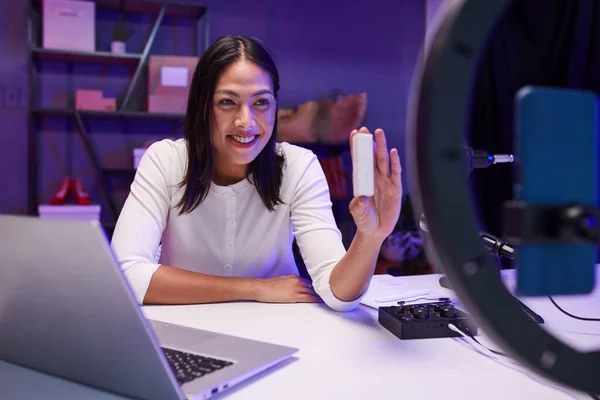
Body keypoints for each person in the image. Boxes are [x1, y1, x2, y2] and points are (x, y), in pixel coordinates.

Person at [111, 35, 402, 312]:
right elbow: (125, 275)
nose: (245, 121)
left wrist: (371, 236)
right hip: (184, 328)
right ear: (202, 107)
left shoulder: (299, 166)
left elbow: (338, 295)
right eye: (227, 102)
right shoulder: (166, 160)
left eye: (261, 102)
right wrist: (254, 288)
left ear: (275, 106)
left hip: (277, 330)